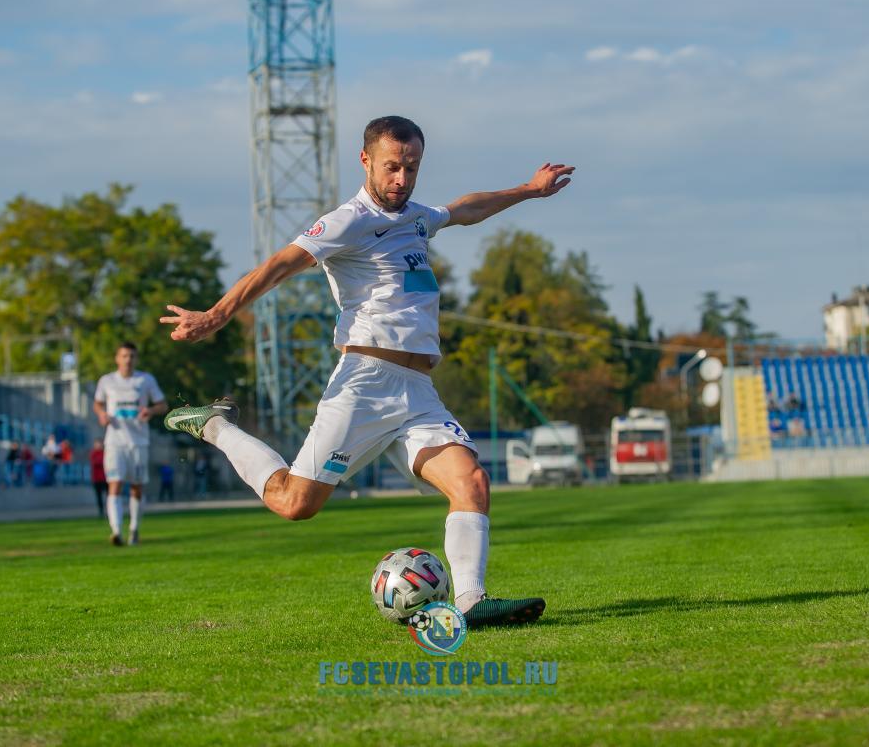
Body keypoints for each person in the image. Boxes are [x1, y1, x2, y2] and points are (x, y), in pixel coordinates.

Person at [160, 115, 572, 628]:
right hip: (365, 382)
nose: (402, 179)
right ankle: (216, 426)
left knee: (472, 481)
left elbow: (465, 209)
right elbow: (278, 265)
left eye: (412, 168)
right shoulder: (346, 221)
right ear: (366, 161)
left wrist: (530, 190)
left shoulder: (417, 218)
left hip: (418, 391)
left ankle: (469, 601)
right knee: (295, 503)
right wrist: (217, 315)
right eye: (392, 167)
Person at [93, 342, 167, 546]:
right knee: (114, 484)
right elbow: (98, 403)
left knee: (137, 486)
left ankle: (134, 528)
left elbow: (162, 404)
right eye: (124, 356)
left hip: (138, 442)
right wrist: (101, 414)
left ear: (136, 359)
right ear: (117, 358)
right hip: (115, 441)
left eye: (132, 356)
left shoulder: (146, 380)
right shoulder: (107, 381)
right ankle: (116, 531)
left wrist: (150, 410)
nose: (128, 360)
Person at [89, 439, 107, 517]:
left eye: (100, 444)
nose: (99, 445)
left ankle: (110, 510)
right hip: (96, 479)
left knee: (109, 495)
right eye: (97, 444)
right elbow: (96, 462)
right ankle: (101, 511)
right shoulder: (93, 453)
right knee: (99, 496)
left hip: (105, 478)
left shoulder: (105, 453)